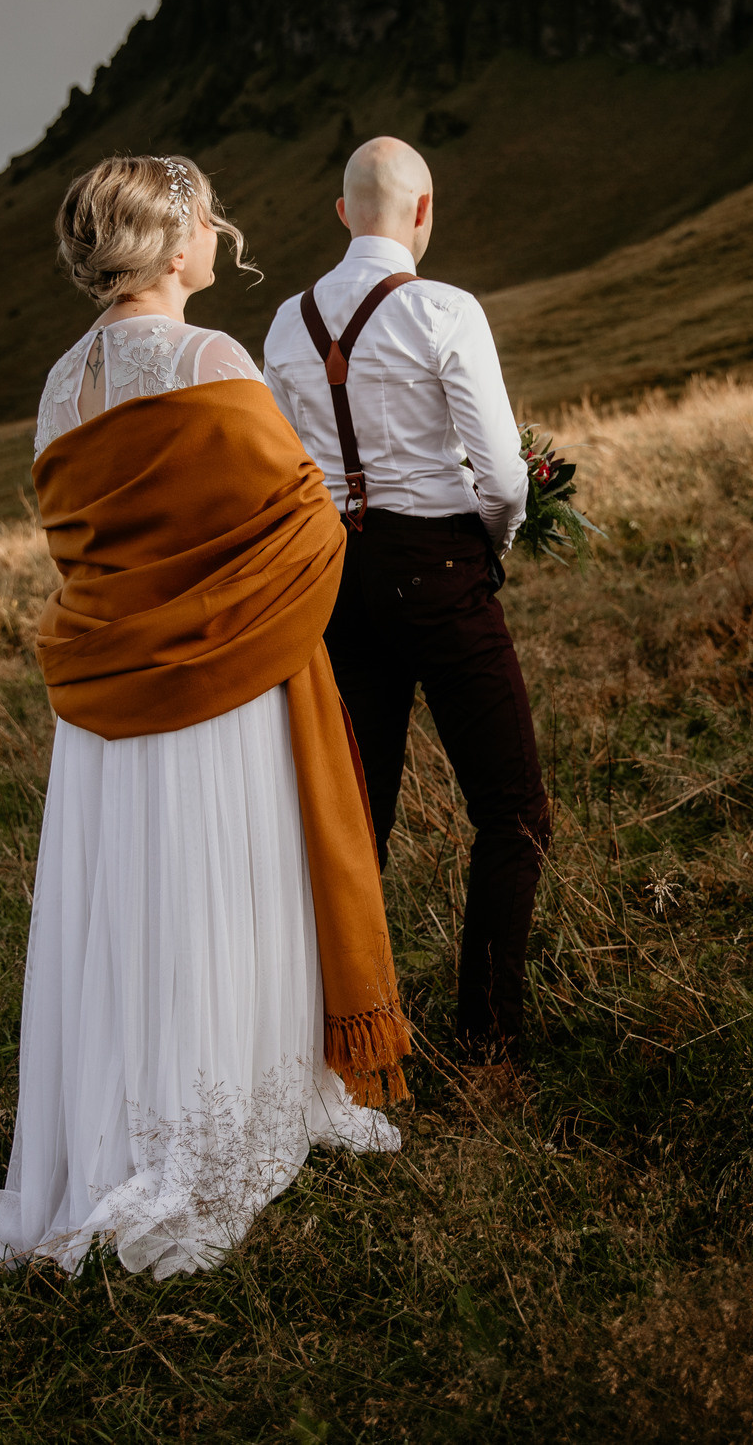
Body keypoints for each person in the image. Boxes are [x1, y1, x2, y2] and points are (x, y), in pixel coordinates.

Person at [0, 154, 409, 1282]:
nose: (220, 237)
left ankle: (113, 1128)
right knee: (220, 887)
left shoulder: (61, 385)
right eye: (207, 222)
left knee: (130, 902)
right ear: (170, 239)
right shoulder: (209, 358)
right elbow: (296, 517)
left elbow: (85, 543)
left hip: (107, 695)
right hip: (218, 681)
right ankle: (210, 1128)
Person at [262, 136, 550, 1056]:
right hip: (444, 572)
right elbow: (504, 475)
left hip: (341, 583)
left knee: (358, 819)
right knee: (513, 810)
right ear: (424, 213)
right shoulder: (443, 309)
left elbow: (285, 472)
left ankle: (342, 1039)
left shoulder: (283, 324)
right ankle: (487, 1040)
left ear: (343, 214)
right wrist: (491, 545)